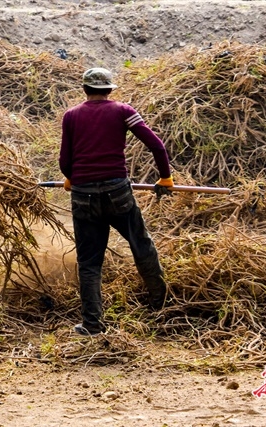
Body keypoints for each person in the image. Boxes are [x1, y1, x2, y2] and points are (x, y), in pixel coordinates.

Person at [59, 67, 174, 336]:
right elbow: (156, 145)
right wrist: (165, 178)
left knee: (89, 262)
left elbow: (65, 161)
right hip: (117, 192)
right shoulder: (123, 111)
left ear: (85, 89)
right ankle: (161, 306)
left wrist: (71, 177)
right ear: (110, 89)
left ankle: (92, 324)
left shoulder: (71, 116)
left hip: (83, 195)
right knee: (141, 245)